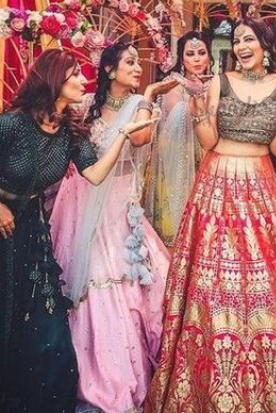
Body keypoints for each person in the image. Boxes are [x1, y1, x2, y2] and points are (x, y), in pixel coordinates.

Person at [146, 17, 276, 412]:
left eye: (249, 39)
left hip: (260, 187)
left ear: (266, 45)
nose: (241, 46)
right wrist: (199, 107)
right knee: (210, 284)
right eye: (237, 41)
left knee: (265, 282)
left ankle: (267, 386)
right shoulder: (220, 82)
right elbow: (210, 140)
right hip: (215, 185)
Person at [0, 49, 154, 413]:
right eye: (75, 76)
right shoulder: (12, 123)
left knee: (46, 326)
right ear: (54, 80)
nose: (84, 81)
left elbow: (96, 174)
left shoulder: (71, 132)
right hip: (3, 221)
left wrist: (123, 135)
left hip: (32, 229)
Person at [50, 43, 174, 413]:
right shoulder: (85, 106)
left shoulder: (141, 105)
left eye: (139, 63)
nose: (138, 68)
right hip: (79, 200)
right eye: (130, 62)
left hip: (119, 204)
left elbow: (140, 139)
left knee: (121, 282)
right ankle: (82, 369)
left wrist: (149, 95)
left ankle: (118, 373)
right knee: (83, 280)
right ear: (108, 69)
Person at [145, 31, 212, 245]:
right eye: (190, 54)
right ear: (181, 58)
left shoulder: (216, 84)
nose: (197, 58)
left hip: (207, 159)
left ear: (209, 56)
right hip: (176, 162)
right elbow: (175, 121)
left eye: (201, 53)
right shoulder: (172, 83)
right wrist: (196, 97)